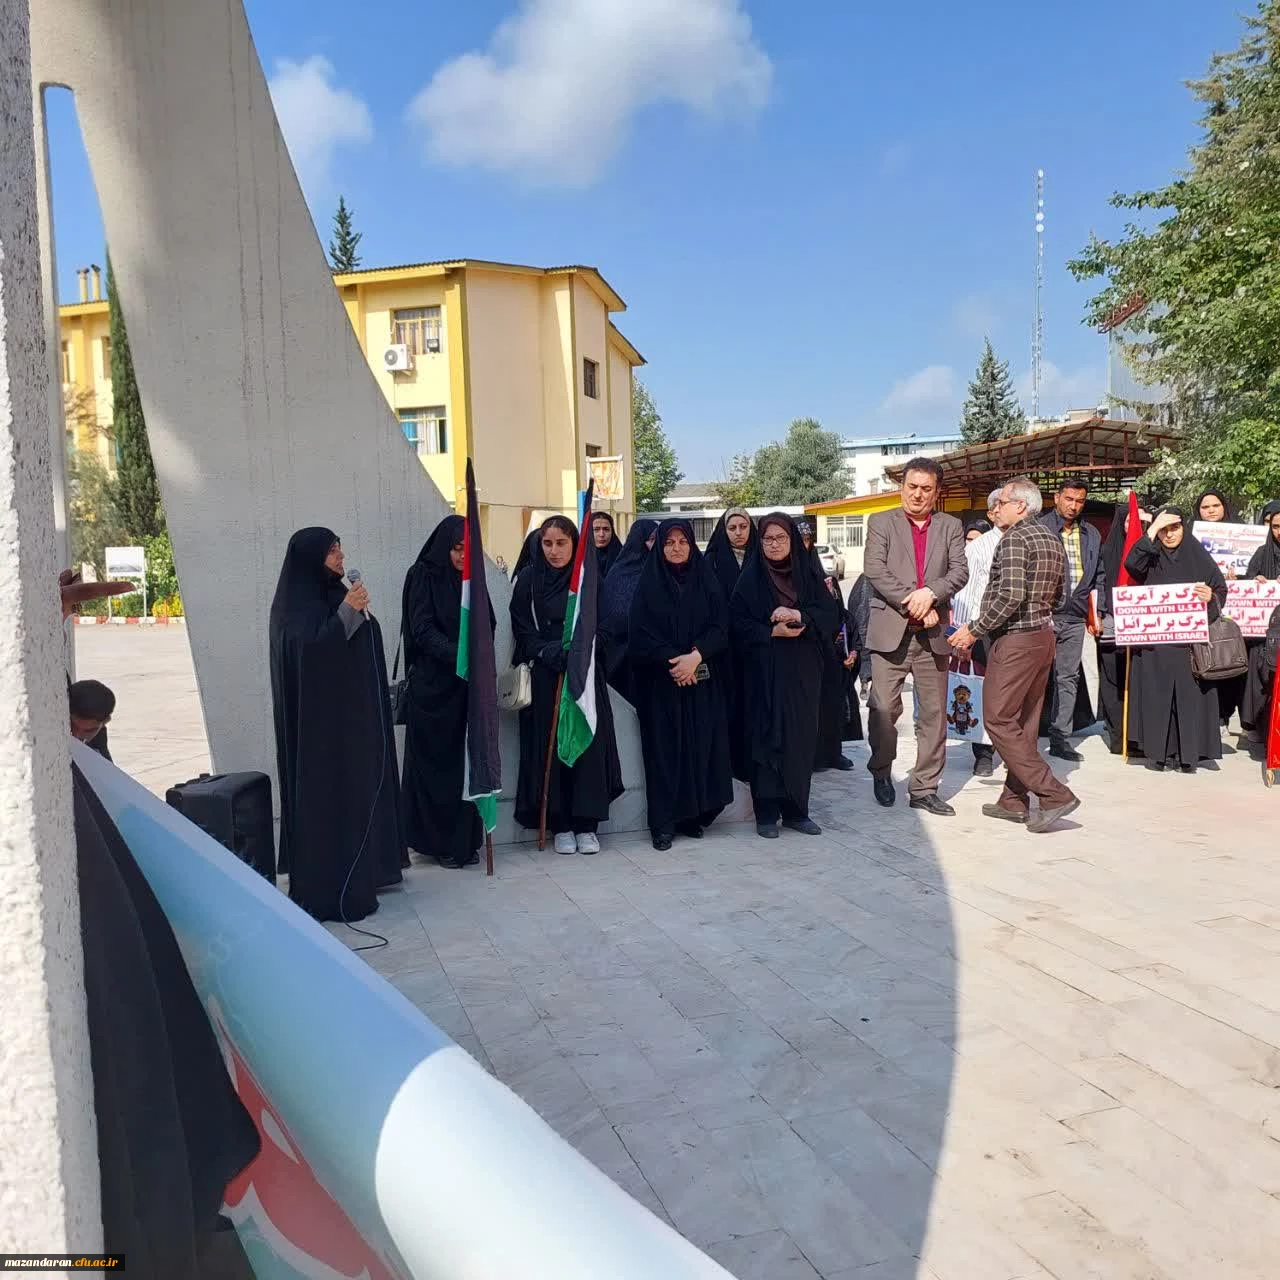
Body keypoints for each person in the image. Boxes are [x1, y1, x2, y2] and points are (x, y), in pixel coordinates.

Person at [269, 528, 406, 923]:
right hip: (318, 733)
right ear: (312, 558)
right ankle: (331, 885)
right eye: (332, 551)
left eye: (340, 548)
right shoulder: (294, 607)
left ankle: (369, 870)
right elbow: (313, 653)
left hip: (349, 721)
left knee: (357, 793)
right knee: (330, 800)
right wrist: (347, 611)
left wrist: (355, 614)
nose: (341, 556)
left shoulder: (335, 594)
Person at [950, 478, 1079, 833]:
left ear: (1020, 506)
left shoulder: (1014, 538)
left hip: (1016, 640)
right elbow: (1060, 595)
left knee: (998, 719)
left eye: (1002, 502)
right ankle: (1013, 800)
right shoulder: (1051, 537)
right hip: (1043, 636)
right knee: (1025, 722)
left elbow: (1009, 596)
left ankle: (1053, 793)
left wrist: (974, 629)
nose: (996, 508)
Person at [510, 516, 623, 853]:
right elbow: (522, 628)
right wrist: (547, 651)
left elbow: (606, 625)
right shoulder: (529, 580)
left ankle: (587, 825)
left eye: (562, 543)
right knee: (552, 745)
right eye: (547, 543)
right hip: (547, 677)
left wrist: (581, 652)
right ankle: (560, 823)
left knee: (586, 746)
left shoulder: (589, 578)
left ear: (575, 544)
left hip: (584, 676)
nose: (554, 551)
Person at [864, 457, 968, 815]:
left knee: (934, 715)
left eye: (926, 489)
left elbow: (959, 572)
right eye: (912, 487)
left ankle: (924, 787)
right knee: (883, 709)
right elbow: (875, 570)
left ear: (936, 492)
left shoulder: (950, 526)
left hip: (932, 637)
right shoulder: (881, 522)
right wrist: (916, 601)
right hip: (890, 631)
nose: (918, 495)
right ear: (902, 487)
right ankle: (881, 771)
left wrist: (932, 593)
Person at [730, 513, 839, 838]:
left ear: (792, 540)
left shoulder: (809, 577)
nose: (774, 544)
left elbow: (830, 615)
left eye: (780, 538)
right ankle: (766, 813)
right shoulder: (750, 579)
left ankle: (796, 811)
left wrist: (799, 614)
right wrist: (771, 632)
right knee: (765, 737)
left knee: (799, 738)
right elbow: (736, 624)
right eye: (767, 538)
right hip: (762, 672)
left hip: (802, 671)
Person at [629, 519, 734, 849]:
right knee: (664, 754)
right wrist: (676, 662)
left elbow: (721, 626)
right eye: (669, 542)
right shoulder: (648, 585)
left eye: (683, 542)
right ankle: (663, 824)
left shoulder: (707, 581)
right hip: (661, 684)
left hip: (701, 681)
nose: (676, 548)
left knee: (700, 747)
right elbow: (639, 635)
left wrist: (696, 656)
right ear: (659, 547)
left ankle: (693, 816)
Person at [400, 514, 492, 870]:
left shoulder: (472, 579)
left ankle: (464, 842)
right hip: (433, 690)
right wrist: (460, 656)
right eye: (456, 549)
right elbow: (421, 629)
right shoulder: (422, 575)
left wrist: (478, 653)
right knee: (437, 770)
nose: (462, 556)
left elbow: (488, 621)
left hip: (466, 690)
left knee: (464, 768)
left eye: (468, 550)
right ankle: (437, 843)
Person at [1122, 507, 1228, 772]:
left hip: (1190, 648)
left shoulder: (1198, 556)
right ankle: (1159, 754)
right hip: (1155, 646)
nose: (1169, 535)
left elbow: (1220, 589)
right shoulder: (1150, 557)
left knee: (1189, 700)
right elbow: (1131, 564)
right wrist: (1152, 528)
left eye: (1175, 528)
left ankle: (1188, 755)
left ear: (1185, 528)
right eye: (1164, 530)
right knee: (1157, 698)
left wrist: (1210, 597)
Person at [1039, 477, 1104, 763]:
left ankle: (1060, 738)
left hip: (1076, 618)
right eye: (1069, 499)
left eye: (1079, 501)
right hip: (1044, 615)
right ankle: (1026, 736)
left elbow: (1099, 574)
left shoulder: (1091, 534)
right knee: (1035, 677)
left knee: (1068, 677)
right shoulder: (1040, 528)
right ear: (1056, 498)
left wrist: (1097, 610)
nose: (1074, 506)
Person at [950, 491, 1005, 778]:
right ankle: (984, 753)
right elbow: (965, 593)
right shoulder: (979, 548)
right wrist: (964, 634)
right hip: (984, 632)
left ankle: (1014, 752)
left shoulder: (1031, 539)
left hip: (1020, 633)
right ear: (994, 512)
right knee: (983, 692)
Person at [705, 508, 759, 780]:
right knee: (729, 707)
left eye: (743, 526)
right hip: (724, 650)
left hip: (757, 646)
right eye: (732, 527)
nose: (738, 533)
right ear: (723, 531)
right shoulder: (712, 561)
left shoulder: (762, 557)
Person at [1095, 502, 1152, 754]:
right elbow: (1097, 583)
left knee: (1139, 681)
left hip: (1145, 630)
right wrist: (1099, 614)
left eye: (1141, 521)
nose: (1135, 526)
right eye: (1130, 521)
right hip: (1112, 626)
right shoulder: (1107, 551)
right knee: (1114, 682)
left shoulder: (1153, 550)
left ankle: (1140, 736)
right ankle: (1119, 737)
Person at [599, 517, 659, 704]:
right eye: (651, 539)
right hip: (621, 657)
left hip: (655, 656)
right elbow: (616, 614)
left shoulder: (659, 571)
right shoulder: (620, 572)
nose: (654, 545)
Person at [814, 568, 863, 770]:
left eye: (831, 587)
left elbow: (856, 642)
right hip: (817, 674)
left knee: (837, 716)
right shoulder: (814, 616)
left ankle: (834, 754)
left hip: (840, 676)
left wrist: (853, 655)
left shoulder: (846, 618)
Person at [1239, 502, 1280, 734]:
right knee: (1261, 682)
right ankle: (1259, 729)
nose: (1279, 531)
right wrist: (1256, 581)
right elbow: (1247, 581)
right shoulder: (1262, 553)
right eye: (1275, 526)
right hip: (1262, 635)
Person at [70, 678, 115, 761]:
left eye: (88, 731)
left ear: (105, 722)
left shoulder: (99, 750)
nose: (76, 735)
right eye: (73, 726)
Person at [591, 511, 623, 579]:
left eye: (606, 529)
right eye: (596, 529)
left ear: (612, 532)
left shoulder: (623, 557)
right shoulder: (580, 559)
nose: (601, 534)